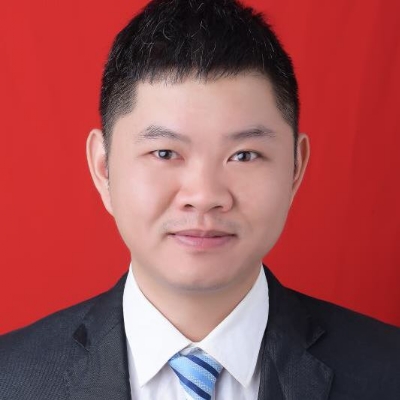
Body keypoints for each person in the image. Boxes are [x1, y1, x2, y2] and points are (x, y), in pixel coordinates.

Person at [1, 0, 399, 398]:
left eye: (244, 155)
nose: (205, 196)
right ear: (104, 169)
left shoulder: (387, 372)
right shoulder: (11, 378)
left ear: (295, 168)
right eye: (165, 153)